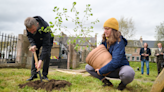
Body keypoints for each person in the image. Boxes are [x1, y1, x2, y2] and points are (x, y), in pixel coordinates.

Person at [85, 18, 135, 91]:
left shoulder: (119, 42)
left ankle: (122, 84)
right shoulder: (105, 40)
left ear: (113, 30)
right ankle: (106, 82)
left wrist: (101, 71)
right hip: (108, 69)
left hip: (119, 69)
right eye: (104, 29)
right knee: (88, 67)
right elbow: (100, 52)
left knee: (129, 72)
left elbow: (116, 62)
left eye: (107, 29)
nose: (105, 31)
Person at [24, 16, 54, 81]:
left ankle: (44, 75)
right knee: (34, 53)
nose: (31, 32)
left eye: (33, 30)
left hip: (47, 39)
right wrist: (33, 45)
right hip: (36, 39)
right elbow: (29, 36)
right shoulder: (28, 26)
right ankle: (34, 74)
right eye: (30, 31)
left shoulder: (46, 27)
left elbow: (46, 46)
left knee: (46, 55)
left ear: (37, 24)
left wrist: (40, 60)